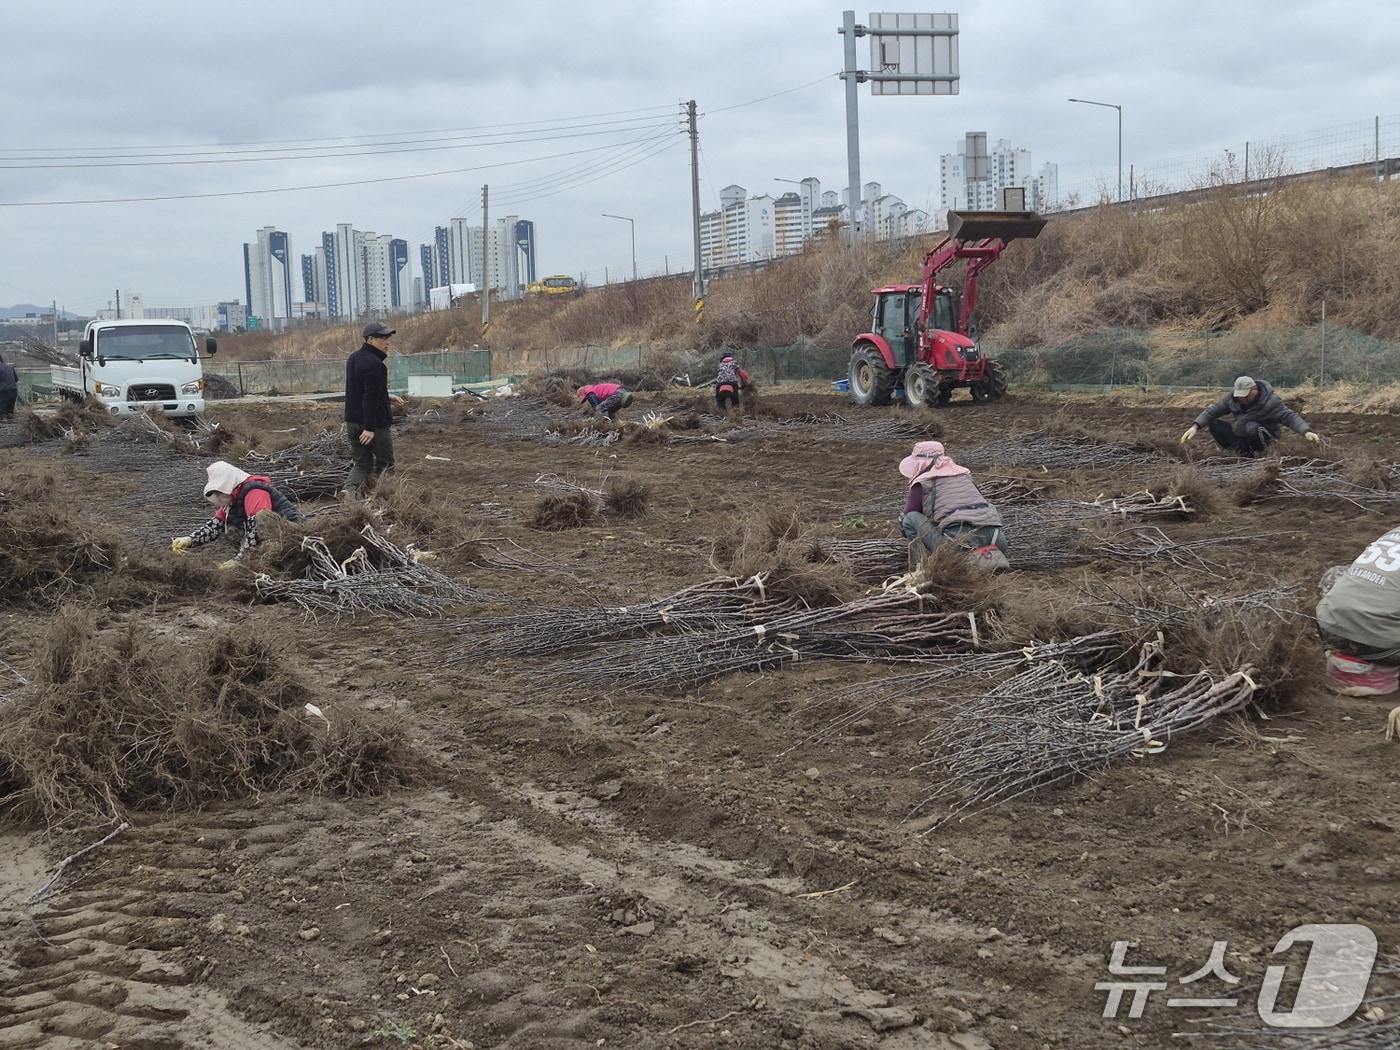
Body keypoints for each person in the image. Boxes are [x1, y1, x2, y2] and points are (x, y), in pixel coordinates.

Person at [898, 440, 1009, 572]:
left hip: (958, 546)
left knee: (909, 519)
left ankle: (923, 567)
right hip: (996, 542)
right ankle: (986, 557)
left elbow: (910, 512)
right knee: (988, 507)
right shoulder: (964, 475)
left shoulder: (922, 483)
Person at [1316, 528, 1400, 696]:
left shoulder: (1394, 532)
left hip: (1330, 631)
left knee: (1335, 573)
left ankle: (1337, 651)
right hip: (1382, 650)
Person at [171, 461, 301, 568]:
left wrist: (239, 560)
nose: (220, 498)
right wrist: (190, 539)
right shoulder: (231, 499)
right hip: (268, 532)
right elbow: (216, 526)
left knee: (262, 517)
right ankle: (257, 553)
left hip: (289, 530)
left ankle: (271, 556)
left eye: (220, 493)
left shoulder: (254, 491)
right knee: (231, 529)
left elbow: (255, 527)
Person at [1180, 375, 1321, 456]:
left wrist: (1306, 431)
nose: (1242, 399)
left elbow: (1289, 417)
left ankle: (1261, 454)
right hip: (1241, 434)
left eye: (1246, 395)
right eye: (1240, 396)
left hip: (1265, 438)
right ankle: (1240, 453)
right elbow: (1213, 411)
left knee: (1251, 427)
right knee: (1215, 424)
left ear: (1255, 390)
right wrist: (1195, 426)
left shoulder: (1270, 402)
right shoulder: (1232, 398)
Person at [344, 321, 404, 495]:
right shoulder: (376, 365)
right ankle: (387, 498)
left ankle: (349, 493)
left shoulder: (353, 358)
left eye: (388, 338)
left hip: (352, 423)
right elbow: (369, 398)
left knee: (362, 464)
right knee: (386, 465)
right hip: (374, 425)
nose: (387, 342)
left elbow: (361, 390)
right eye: (383, 338)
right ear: (370, 339)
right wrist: (369, 428)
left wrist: (386, 397)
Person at [0, 354, 17, 421]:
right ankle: (10, 418)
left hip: (4, 391)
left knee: (1, 409)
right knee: (9, 411)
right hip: (14, 390)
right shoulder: (9, 367)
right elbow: (16, 379)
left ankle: (2, 418)